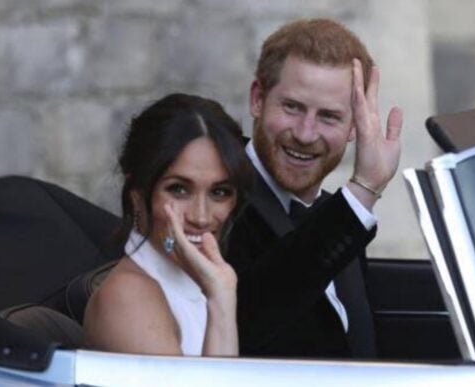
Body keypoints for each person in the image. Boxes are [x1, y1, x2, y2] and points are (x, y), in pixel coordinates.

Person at [226, 18, 403, 358]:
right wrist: (364, 189)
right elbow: (251, 319)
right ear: (257, 100)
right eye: (292, 107)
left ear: (355, 126)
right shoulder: (217, 197)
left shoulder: (336, 214)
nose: (306, 134)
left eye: (329, 117)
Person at [83, 93, 252, 356]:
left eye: (219, 192)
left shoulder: (199, 282)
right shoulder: (128, 296)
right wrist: (221, 300)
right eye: (179, 190)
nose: (201, 217)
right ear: (137, 195)